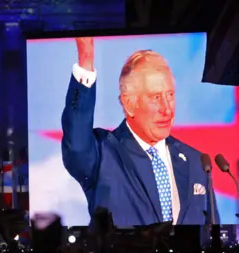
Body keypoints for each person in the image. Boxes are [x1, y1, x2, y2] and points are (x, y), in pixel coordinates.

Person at [61, 37, 220, 226]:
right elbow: (77, 145)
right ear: (129, 104)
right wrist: (85, 62)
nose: (167, 109)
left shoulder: (197, 163)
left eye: (170, 95)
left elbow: (214, 234)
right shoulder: (104, 153)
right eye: (156, 97)